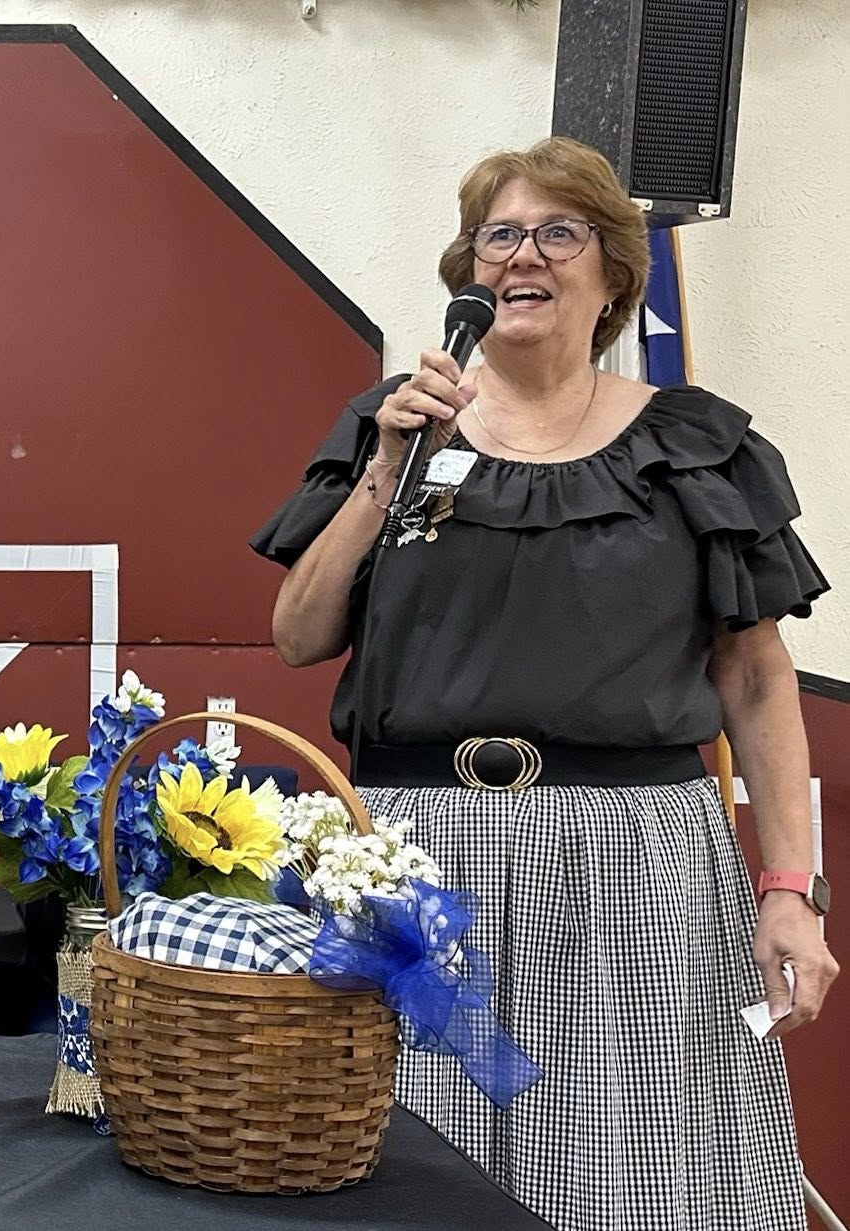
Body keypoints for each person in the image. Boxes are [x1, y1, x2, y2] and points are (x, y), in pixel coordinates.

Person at [251, 136, 836, 1231]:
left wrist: (789, 890)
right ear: (470, 273)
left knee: (632, 1177)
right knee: (404, 1173)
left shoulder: (694, 448)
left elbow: (757, 681)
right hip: (417, 859)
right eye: (499, 236)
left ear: (613, 274)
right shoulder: (393, 431)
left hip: (637, 864)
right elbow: (297, 635)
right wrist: (383, 472)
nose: (523, 256)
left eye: (558, 233)